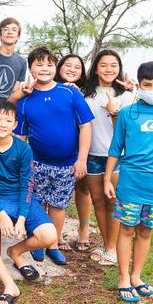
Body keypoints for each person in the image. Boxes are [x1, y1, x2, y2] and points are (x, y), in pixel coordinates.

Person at [104, 61, 153, 302]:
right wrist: (108, 178)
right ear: (139, 85)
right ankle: (124, 278)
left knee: (146, 231)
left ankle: (137, 277)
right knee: (126, 230)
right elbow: (116, 148)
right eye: (147, 85)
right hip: (130, 183)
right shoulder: (128, 113)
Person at [0, 101, 58, 304]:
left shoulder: (23, 149)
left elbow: (26, 185)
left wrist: (21, 219)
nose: (2, 124)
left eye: (8, 120)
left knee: (49, 235)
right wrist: (1, 215)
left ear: (15, 124)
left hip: (20, 196)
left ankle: (16, 252)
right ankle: (9, 284)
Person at [14, 46, 94, 266]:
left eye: (49, 64)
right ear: (30, 68)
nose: (44, 69)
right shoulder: (26, 100)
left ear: (55, 68)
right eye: (39, 64)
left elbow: (86, 126)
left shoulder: (69, 93)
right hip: (37, 163)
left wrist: (82, 159)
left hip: (67, 164)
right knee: (36, 203)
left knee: (58, 206)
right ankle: (37, 241)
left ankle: (53, 244)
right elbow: (20, 136)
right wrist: (22, 165)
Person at [82, 50, 137, 266]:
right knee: (98, 202)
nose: (109, 69)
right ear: (96, 68)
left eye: (114, 65)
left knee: (113, 202)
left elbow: (128, 129)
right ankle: (107, 245)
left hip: (116, 157)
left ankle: (112, 248)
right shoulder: (85, 93)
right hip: (92, 154)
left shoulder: (126, 94)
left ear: (119, 68)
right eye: (104, 65)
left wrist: (115, 111)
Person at [53, 54, 94, 255]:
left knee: (82, 188)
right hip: (59, 148)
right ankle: (55, 234)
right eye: (67, 65)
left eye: (77, 66)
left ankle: (84, 229)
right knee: (54, 193)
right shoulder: (50, 86)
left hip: (83, 146)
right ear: (59, 67)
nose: (72, 69)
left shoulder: (87, 91)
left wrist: (131, 89)